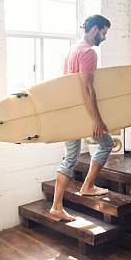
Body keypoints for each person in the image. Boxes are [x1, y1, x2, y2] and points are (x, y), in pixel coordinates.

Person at [49, 14, 114, 221]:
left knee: (70, 157)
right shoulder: (88, 52)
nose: (104, 37)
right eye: (103, 32)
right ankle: (87, 186)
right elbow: (87, 89)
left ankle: (56, 206)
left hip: (70, 113)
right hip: (83, 113)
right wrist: (96, 119)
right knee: (106, 144)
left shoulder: (73, 49)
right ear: (94, 29)